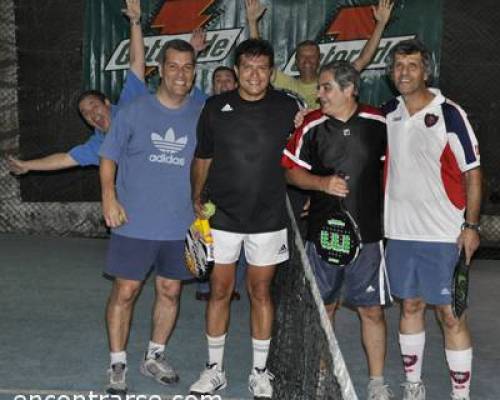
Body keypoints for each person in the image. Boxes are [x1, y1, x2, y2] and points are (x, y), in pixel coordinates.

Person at [189, 38, 299, 399]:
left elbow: (306, 152)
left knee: (260, 291)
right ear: (236, 71)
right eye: (247, 67)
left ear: (271, 72)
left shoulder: (289, 109)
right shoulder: (214, 107)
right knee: (220, 290)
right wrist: (196, 196)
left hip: (269, 218)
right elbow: (203, 157)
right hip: (221, 217)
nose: (254, 75)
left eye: (262, 68)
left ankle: (260, 372)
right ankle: (214, 370)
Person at [282, 60, 393, 400]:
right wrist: (320, 183)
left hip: (370, 238)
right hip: (323, 236)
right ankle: (320, 375)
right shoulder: (312, 125)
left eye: (326, 87)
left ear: (349, 90)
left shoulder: (380, 123)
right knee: (324, 308)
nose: (319, 94)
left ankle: (376, 383)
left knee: (371, 311)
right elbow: (290, 171)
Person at [98, 39, 203, 395]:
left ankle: (154, 356)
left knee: (170, 290)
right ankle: (117, 362)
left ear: (194, 72)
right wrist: (109, 197)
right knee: (125, 291)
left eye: (187, 67)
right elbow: (108, 156)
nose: (180, 74)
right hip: (134, 222)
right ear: (160, 69)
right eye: (173, 66)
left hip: (181, 224)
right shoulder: (134, 111)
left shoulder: (202, 113)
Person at [382, 39, 481, 400]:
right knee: (409, 305)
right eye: (398, 65)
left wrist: (471, 226)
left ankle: (461, 394)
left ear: (427, 70)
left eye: (411, 65)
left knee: (451, 314)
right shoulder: (387, 112)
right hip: (399, 232)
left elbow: (473, 172)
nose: (404, 72)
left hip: (444, 234)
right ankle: (413, 386)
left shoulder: (449, 113)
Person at [6, 0, 148, 174]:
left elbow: (136, 62)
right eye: (85, 113)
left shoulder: (129, 105)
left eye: (94, 106)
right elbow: (65, 159)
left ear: (107, 103)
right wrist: (27, 165)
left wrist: (135, 22)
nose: (92, 114)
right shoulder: (98, 145)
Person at [245, 0, 394, 108]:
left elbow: (363, 60)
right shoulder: (286, 83)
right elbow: (259, 59)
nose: (307, 61)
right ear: (296, 61)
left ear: (319, 60)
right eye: (302, 56)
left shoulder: (332, 80)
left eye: (312, 56)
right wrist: (252, 22)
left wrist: (380, 24)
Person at [195, 65, 248, 302]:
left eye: (228, 79)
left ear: (236, 83)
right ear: (212, 85)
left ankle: (233, 285)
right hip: (210, 189)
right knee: (209, 235)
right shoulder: (205, 108)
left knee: (243, 239)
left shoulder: (250, 109)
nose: (223, 83)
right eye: (218, 80)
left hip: (242, 189)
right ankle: (207, 284)